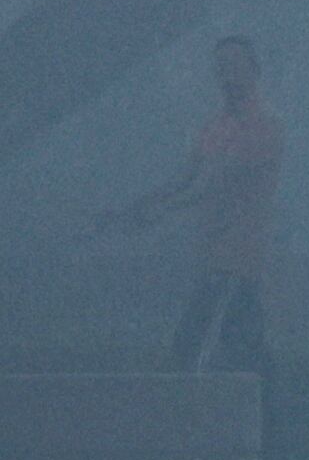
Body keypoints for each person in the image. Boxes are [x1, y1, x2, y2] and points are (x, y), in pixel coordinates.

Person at [105, 34, 286, 382]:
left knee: (191, 345)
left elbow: (214, 182)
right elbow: (185, 178)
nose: (227, 74)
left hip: (239, 258)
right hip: (213, 254)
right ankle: (266, 422)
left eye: (235, 66)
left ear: (254, 70)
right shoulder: (215, 125)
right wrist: (136, 207)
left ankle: (194, 419)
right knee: (245, 348)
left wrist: (161, 212)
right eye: (221, 67)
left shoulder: (265, 124)